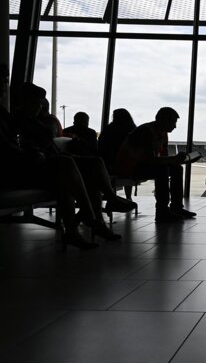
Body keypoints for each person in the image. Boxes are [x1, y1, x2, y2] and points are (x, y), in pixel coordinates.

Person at [12, 82, 136, 245]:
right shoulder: (19, 122)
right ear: (25, 101)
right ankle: (92, 218)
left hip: (48, 164)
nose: (40, 106)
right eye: (38, 102)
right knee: (71, 169)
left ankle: (105, 204)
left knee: (94, 163)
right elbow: (21, 150)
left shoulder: (34, 123)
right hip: (32, 167)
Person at [116, 107, 196, 223]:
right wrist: (173, 159)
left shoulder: (161, 133)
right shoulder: (146, 132)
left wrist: (174, 160)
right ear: (164, 121)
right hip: (129, 167)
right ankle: (162, 211)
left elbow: (162, 158)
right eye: (173, 122)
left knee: (176, 168)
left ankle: (175, 207)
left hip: (138, 165)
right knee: (162, 170)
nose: (175, 126)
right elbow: (152, 160)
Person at [98, 108, 137, 199]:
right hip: (128, 163)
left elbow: (102, 146)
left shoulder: (109, 129)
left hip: (110, 163)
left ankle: (112, 196)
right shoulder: (132, 129)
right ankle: (128, 196)